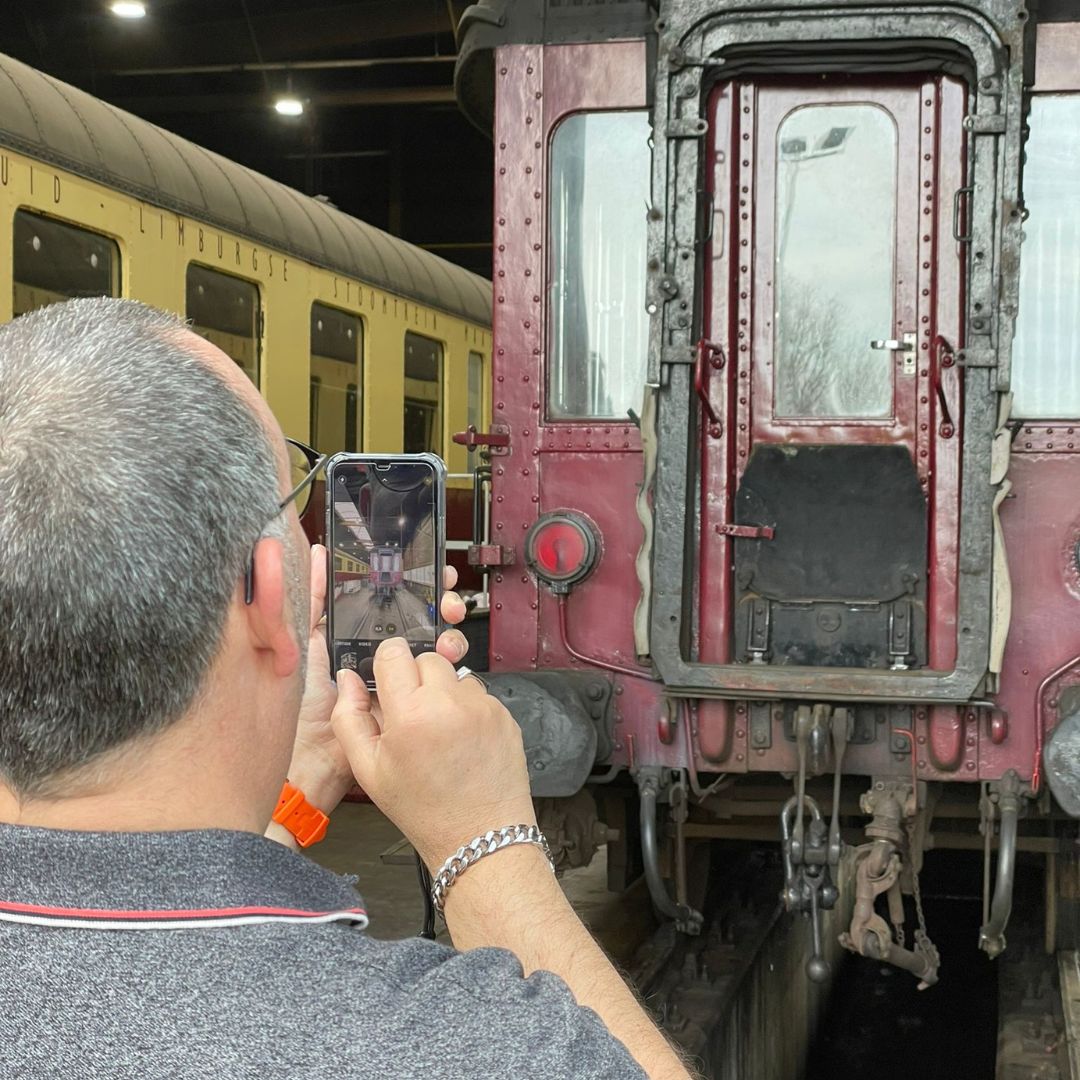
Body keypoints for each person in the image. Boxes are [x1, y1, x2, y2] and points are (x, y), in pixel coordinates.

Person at [0, 298, 693, 1079]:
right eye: (292, 498)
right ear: (269, 596)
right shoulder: (446, 1046)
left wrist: (295, 789)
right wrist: (484, 844)